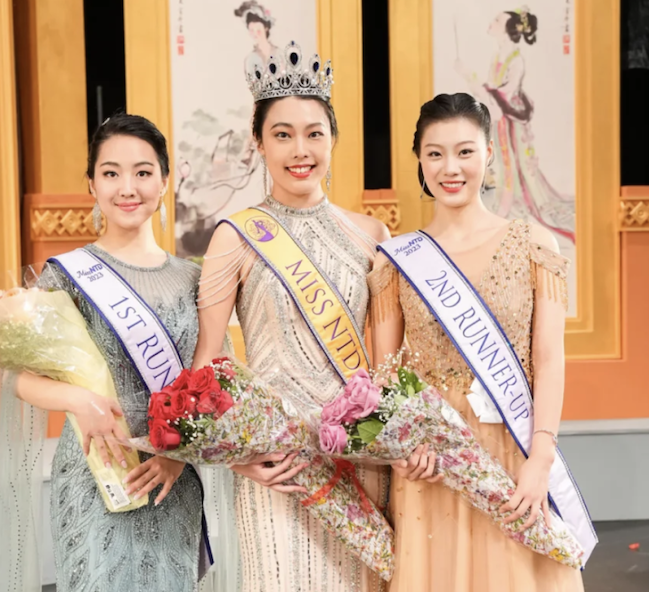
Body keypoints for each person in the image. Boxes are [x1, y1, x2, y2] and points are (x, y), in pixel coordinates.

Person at [367, 93, 588, 591]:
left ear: (489, 153)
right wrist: (402, 447)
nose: (451, 167)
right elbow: (387, 379)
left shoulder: (533, 243)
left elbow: (550, 359)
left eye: (465, 151)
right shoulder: (396, 260)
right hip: (432, 462)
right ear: (419, 160)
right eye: (435, 153)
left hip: (512, 449)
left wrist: (540, 459)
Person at [193, 42, 391, 592]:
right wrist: (236, 455)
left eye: (313, 133)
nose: (299, 149)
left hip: (360, 462)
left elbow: (386, 365)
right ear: (258, 143)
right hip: (276, 465)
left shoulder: (373, 237)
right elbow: (208, 364)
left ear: (333, 139)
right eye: (282, 134)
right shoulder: (234, 237)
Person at [0, 114, 208, 592]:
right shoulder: (67, 274)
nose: (128, 187)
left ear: (165, 182)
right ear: (91, 184)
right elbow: (17, 377)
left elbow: (210, 381)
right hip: (96, 475)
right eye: (111, 173)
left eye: (143, 172)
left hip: (173, 477)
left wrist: (179, 455)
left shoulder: (192, 279)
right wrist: (78, 402)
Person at [456, 7, 575, 243]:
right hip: (499, 116)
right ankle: (503, 206)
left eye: (498, 20)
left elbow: (503, 95)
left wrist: (469, 76)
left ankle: (510, 207)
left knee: (514, 163)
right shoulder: (498, 55)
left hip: (511, 118)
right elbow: (491, 90)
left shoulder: (516, 60)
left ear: (508, 29)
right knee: (501, 161)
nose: (493, 21)